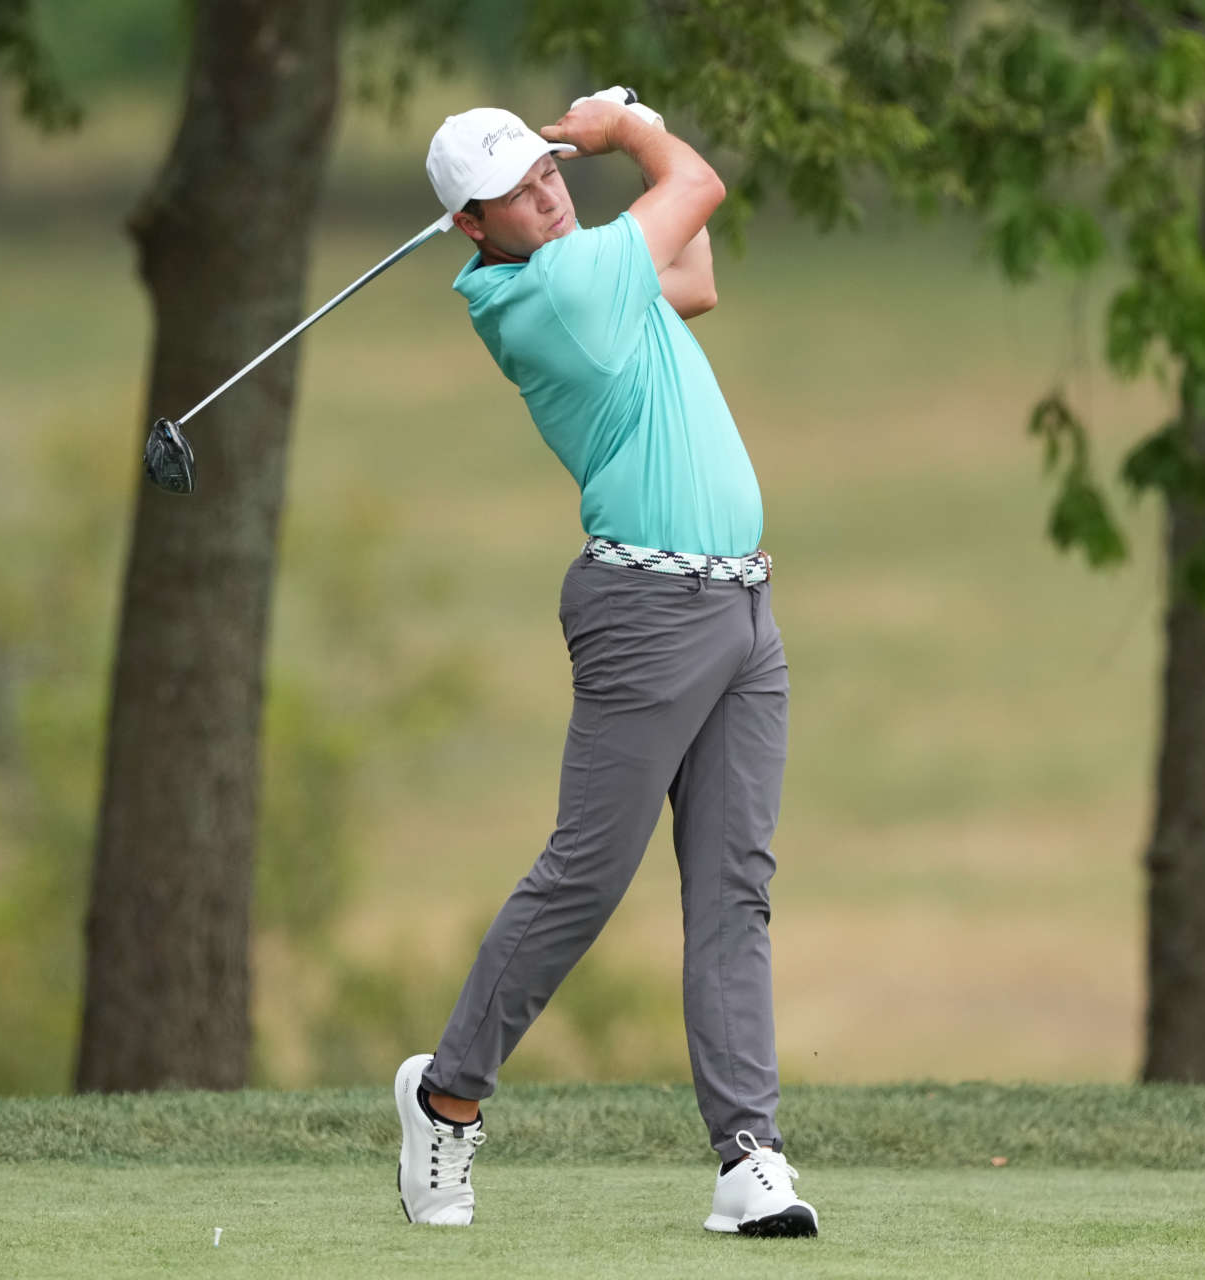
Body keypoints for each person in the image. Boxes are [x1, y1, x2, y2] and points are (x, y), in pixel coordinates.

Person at [392, 92, 816, 1239]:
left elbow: (699, 271)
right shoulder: (564, 295)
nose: (545, 190)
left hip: (740, 609)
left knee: (734, 884)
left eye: (547, 168)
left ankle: (748, 1157)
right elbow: (700, 192)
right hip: (648, 609)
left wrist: (638, 134)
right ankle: (445, 1094)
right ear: (471, 229)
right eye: (518, 192)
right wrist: (630, 130)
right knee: (587, 874)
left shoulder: (582, 272)